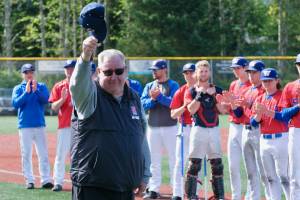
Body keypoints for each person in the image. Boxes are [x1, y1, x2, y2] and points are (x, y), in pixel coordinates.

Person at [69, 36, 151, 200]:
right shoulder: (89, 96)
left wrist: (144, 175)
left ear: (125, 70)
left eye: (119, 71)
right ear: (98, 72)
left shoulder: (134, 98)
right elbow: (77, 85)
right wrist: (85, 57)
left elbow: (140, 138)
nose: (114, 77)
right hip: (92, 188)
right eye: (107, 72)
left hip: (125, 188)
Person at [224, 60, 270, 199]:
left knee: (264, 172)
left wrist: (248, 104)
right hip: (245, 130)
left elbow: (261, 115)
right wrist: (232, 103)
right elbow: (239, 114)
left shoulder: (265, 90)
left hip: (259, 131)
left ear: (262, 73)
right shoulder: (247, 90)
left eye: (254, 72)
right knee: (251, 171)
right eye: (249, 72)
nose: (250, 75)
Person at [184, 60, 226, 200]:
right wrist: (199, 95)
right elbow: (190, 110)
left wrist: (215, 95)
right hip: (198, 129)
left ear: (210, 72)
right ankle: (191, 196)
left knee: (217, 165)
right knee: (194, 164)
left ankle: (219, 196)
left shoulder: (217, 89)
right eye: (201, 71)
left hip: (213, 129)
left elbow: (223, 110)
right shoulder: (191, 90)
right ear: (196, 73)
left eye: (206, 71)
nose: (203, 73)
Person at [141, 59, 179, 199]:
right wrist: (153, 100)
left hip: (171, 127)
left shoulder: (173, 84)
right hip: (153, 127)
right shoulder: (149, 85)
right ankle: (154, 189)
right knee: (153, 160)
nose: (153, 72)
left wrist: (160, 97)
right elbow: (142, 105)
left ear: (164, 70)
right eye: (152, 69)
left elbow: (174, 103)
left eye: (156, 69)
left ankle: (176, 189)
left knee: (174, 159)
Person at [250, 68, 290, 200]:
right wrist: (259, 114)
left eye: (269, 80)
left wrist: (267, 111)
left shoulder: (283, 95)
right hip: (264, 140)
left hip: (281, 138)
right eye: (264, 81)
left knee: (284, 176)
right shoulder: (260, 98)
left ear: (277, 80)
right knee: (270, 177)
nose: (266, 83)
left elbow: (284, 117)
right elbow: (253, 123)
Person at [11, 63, 53, 190]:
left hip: (39, 125)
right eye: (26, 72)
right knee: (26, 154)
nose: (29, 74)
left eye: (31, 72)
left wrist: (36, 90)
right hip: (25, 126)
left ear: (33, 73)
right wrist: (26, 92)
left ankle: (45, 179)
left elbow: (47, 99)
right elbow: (15, 104)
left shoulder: (41, 86)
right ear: (22, 74)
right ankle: (29, 180)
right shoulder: (18, 88)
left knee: (43, 154)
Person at [226, 57, 251, 200]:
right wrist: (225, 104)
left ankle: (249, 196)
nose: (235, 70)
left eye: (238, 68)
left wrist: (234, 106)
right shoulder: (233, 84)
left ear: (245, 67)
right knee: (233, 166)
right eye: (234, 68)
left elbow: (241, 111)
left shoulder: (251, 85)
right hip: (233, 127)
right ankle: (235, 196)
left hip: (246, 127)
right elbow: (231, 110)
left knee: (249, 166)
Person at [170, 63, 196, 200]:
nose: (188, 75)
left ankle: (193, 192)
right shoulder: (180, 91)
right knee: (180, 162)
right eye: (185, 72)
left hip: (199, 129)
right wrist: (184, 107)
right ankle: (177, 193)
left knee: (196, 162)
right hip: (185, 128)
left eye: (191, 72)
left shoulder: (202, 90)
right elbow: (173, 114)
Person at [48, 60, 76, 192]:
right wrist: (63, 99)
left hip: (81, 127)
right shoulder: (59, 86)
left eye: (71, 68)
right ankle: (58, 182)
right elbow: (53, 107)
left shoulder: (82, 85)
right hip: (65, 125)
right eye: (67, 68)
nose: (69, 70)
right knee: (61, 154)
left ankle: (77, 181)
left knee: (78, 156)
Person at [278, 54, 300, 199]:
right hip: (295, 132)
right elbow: (283, 113)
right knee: (294, 172)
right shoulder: (290, 87)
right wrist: (297, 107)